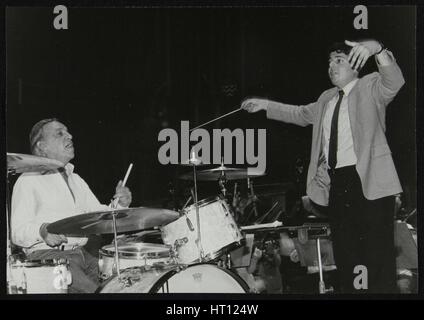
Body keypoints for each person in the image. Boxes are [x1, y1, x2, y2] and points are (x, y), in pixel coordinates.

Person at [241, 39, 405, 293]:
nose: (331, 66)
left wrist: (378, 48)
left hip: (370, 182)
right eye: (329, 62)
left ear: (356, 65)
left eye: (338, 60)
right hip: (338, 184)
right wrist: (266, 105)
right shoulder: (326, 99)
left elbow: (394, 81)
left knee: (377, 258)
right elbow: (298, 113)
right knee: (347, 255)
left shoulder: (370, 85)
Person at [11, 118, 132, 293]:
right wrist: (42, 230)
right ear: (42, 147)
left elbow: (98, 217)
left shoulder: (76, 179)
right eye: (60, 133)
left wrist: (120, 205)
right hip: (49, 258)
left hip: (83, 254)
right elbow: (17, 231)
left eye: (67, 132)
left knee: (123, 285)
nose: (70, 136)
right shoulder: (28, 180)